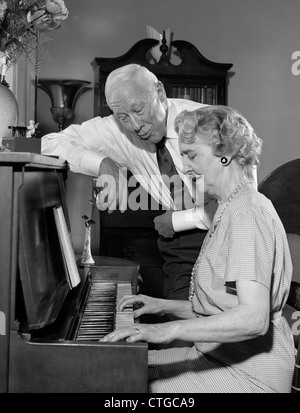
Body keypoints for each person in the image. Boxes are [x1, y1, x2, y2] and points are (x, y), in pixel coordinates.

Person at [100, 105, 295, 393]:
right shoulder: (227, 207)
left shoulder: (247, 213)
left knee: (123, 384)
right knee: (115, 367)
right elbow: (219, 308)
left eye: (192, 156)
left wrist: (166, 329)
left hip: (251, 374)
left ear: (225, 153)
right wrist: (161, 306)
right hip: (218, 356)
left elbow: (253, 319)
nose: (187, 168)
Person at [41, 64, 214, 300]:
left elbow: (239, 203)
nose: (134, 125)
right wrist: (102, 163)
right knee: (180, 325)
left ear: (160, 94)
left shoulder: (209, 121)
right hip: (178, 248)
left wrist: (177, 220)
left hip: (225, 236)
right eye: (123, 117)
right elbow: (48, 144)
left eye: (139, 110)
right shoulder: (118, 129)